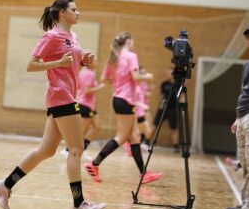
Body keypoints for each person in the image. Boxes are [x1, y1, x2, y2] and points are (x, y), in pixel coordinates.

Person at [0, 0, 106, 209]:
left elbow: (70, 65)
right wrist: (58, 64)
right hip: (60, 96)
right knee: (76, 149)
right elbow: (31, 65)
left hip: (66, 95)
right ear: (62, 13)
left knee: (46, 150)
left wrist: (83, 61)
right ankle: (79, 204)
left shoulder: (73, 36)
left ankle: (5, 185)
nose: (78, 12)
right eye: (74, 9)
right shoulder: (51, 36)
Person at [84, 32, 162, 184]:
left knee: (135, 137)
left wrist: (119, 80)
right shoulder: (131, 56)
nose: (133, 43)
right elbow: (136, 77)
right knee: (121, 137)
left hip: (120, 99)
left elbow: (104, 79)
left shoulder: (114, 57)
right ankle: (93, 164)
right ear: (128, 41)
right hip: (125, 99)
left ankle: (144, 173)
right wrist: (148, 76)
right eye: (132, 41)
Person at [60, 59, 105, 160]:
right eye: (95, 60)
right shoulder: (89, 74)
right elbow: (87, 90)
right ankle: (68, 150)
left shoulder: (85, 73)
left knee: (97, 127)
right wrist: (100, 87)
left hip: (90, 106)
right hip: (84, 104)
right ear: (90, 63)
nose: (97, 62)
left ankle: (81, 150)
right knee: (81, 131)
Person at [226, 27, 249, 209]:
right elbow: (244, 92)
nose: (246, 42)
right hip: (242, 117)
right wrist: (237, 117)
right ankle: (245, 204)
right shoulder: (247, 64)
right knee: (245, 164)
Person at [151, 67, 179, 152]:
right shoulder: (164, 83)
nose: (167, 74)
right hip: (163, 107)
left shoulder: (178, 84)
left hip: (173, 108)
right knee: (155, 124)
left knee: (173, 128)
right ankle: (147, 141)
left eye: (169, 72)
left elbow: (181, 96)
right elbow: (160, 94)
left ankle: (176, 146)